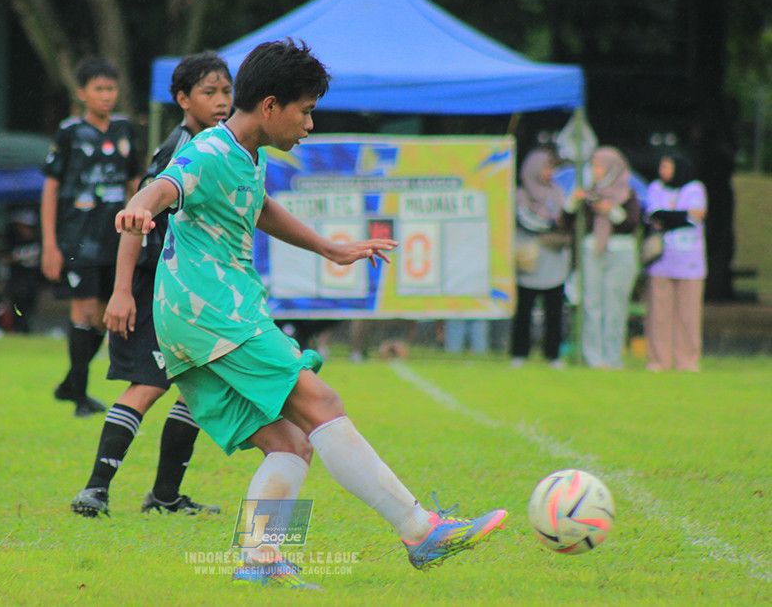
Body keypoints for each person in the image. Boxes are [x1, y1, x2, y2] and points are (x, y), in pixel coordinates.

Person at [115, 39, 507, 588]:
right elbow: (162, 188)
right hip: (213, 314)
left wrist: (331, 248)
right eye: (305, 111)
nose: (310, 124)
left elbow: (259, 207)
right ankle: (421, 530)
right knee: (320, 402)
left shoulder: (245, 154)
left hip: (197, 319)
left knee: (290, 443)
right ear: (271, 106)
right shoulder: (206, 152)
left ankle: (261, 561)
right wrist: (137, 209)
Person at [70, 51, 232, 517]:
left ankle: (164, 497)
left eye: (226, 92)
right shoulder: (179, 150)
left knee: (197, 386)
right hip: (153, 287)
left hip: (191, 287)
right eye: (209, 93)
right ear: (182, 99)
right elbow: (135, 220)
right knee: (148, 384)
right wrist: (122, 291)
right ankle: (95, 489)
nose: (221, 101)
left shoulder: (218, 145)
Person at [41, 57, 141, 417]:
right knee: (82, 310)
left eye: (111, 88)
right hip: (76, 239)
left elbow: (135, 183)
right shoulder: (69, 133)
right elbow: (50, 189)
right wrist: (49, 244)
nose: (105, 96)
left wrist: (143, 224)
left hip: (115, 239)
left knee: (102, 319)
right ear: (82, 94)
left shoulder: (125, 130)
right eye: (98, 89)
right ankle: (81, 398)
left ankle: (71, 381)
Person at [561, 146, 641, 369]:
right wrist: (573, 201)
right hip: (592, 251)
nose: (595, 170)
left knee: (614, 306)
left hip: (620, 252)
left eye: (599, 165)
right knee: (591, 305)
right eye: (594, 165)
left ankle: (612, 356)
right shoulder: (588, 191)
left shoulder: (627, 192)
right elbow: (566, 222)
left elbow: (631, 222)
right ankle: (594, 357)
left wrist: (611, 210)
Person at [642, 152, 707, 371]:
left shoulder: (694, 188)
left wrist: (667, 217)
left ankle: (687, 361)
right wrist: (680, 216)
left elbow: (695, 216)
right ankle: (659, 360)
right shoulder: (655, 188)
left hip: (690, 262)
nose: (664, 172)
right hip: (661, 260)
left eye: (668, 167)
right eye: (662, 167)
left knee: (688, 315)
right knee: (659, 315)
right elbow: (653, 215)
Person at [510, 145, 570, 368]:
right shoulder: (522, 193)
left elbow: (565, 217)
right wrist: (551, 225)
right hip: (530, 259)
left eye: (551, 168)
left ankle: (553, 354)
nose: (549, 173)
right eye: (545, 167)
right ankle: (519, 353)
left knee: (554, 309)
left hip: (554, 258)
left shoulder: (557, 191)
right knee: (524, 308)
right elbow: (526, 220)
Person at [4, 208, 44, 333]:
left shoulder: (38, 239)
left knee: (31, 306)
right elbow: (6, 257)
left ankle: (28, 329)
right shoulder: (12, 241)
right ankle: (19, 329)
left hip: (33, 280)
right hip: (18, 280)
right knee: (18, 306)